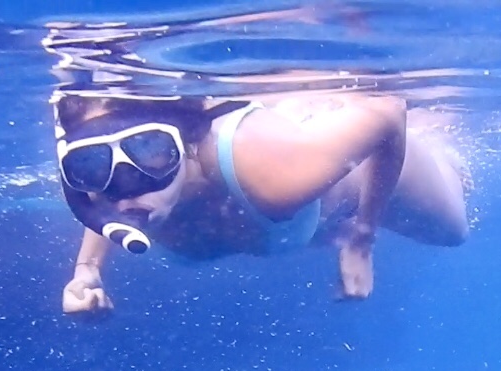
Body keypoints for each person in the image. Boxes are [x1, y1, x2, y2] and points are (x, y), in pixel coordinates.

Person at [53, 91, 471, 314]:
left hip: (351, 180)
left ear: (184, 145)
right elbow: (105, 197)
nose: (125, 188)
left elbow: (387, 112)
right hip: (287, 223)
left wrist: (363, 239)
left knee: (453, 232)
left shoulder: (266, 172)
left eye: (150, 152)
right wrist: (86, 272)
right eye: (90, 164)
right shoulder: (110, 193)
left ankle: (441, 145)